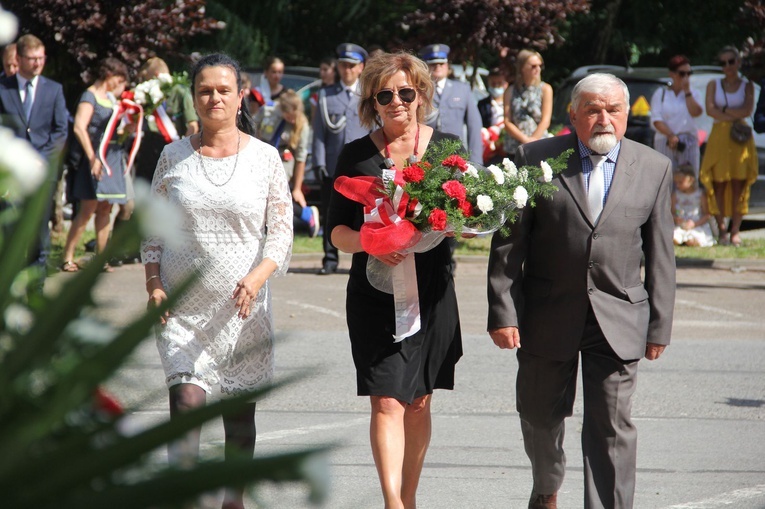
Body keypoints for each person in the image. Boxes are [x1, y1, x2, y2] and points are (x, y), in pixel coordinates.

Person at [487, 73, 676, 509]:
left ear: (627, 115)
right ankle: (547, 488)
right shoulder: (535, 158)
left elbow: (662, 253)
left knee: (611, 429)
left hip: (619, 315)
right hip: (546, 314)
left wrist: (659, 325)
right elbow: (509, 245)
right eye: (593, 109)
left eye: (613, 109)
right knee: (538, 417)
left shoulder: (653, 167)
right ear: (573, 115)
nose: (603, 119)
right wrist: (503, 312)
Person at [142, 53, 293, 509]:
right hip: (182, 310)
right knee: (185, 404)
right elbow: (152, 231)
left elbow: (282, 230)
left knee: (238, 421)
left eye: (223, 90)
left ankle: (233, 501)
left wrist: (257, 277)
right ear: (193, 96)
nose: (214, 98)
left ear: (240, 95)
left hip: (243, 310)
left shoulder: (265, 158)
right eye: (205, 90)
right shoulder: (172, 156)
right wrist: (153, 283)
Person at [327, 51, 463, 509]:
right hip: (374, 294)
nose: (397, 102)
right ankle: (392, 504)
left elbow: (466, 215)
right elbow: (336, 233)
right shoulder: (356, 155)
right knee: (386, 401)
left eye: (406, 92)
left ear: (422, 95)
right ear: (372, 101)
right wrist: (373, 241)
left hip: (432, 290)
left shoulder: (448, 150)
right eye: (385, 95)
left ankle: (410, 497)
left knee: (420, 401)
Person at [0, 34, 68, 276]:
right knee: (10, 234)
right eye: (32, 58)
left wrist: (42, 158)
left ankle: (36, 292)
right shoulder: (3, 89)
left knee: (39, 235)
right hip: (9, 175)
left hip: (41, 172)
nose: (38, 63)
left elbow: (60, 130)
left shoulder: (53, 90)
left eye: (41, 58)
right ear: (18, 58)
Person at [60, 57, 130, 273]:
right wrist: (92, 157)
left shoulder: (112, 99)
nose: (121, 86)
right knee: (88, 208)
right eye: (120, 80)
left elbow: (116, 129)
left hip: (111, 158)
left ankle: (102, 258)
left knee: (106, 207)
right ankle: (68, 256)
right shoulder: (89, 96)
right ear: (109, 76)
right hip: (93, 158)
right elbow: (80, 127)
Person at [312, 42, 369, 275]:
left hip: (361, 163)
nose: (346, 70)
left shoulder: (368, 95)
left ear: (361, 68)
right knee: (330, 212)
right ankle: (330, 258)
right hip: (334, 164)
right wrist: (318, 162)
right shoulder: (326, 95)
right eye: (343, 65)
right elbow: (319, 132)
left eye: (351, 66)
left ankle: (362, 256)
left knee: (362, 212)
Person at [699, 45, 757, 247]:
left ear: (738, 62)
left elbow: (747, 110)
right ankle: (722, 230)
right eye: (723, 63)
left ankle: (735, 231)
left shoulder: (747, 85)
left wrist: (723, 110)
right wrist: (733, 112)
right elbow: (710, 110)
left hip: (740, 140)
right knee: (718, 183)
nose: (727, 66)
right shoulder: (713, 84)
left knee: (739, 184)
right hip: (719, 138)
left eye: (731, 61)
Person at [255, 89, 320, 236]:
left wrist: (297, 188)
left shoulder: (302, 124)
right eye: (289, 116)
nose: (292, 120)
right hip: (262, 157)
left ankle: (305, 214)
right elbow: (253, 127)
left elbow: (301, 158)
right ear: (282, 110)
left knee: (275, 195)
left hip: (283, 161)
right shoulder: (268, 110)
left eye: (294, 116)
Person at [418, 43, 483, 164]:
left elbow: (474, 126)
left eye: (441, 63)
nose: (438, 67)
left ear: (447, 65)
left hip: (456, 156)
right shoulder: (418, 91)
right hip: (425, 156)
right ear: (426, 66)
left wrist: (476, 162)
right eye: (433, 64)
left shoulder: (462, 89)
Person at [650, 55, 704, 176]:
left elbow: (696, 112)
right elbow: (656, 119)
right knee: (665, 181)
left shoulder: (694, 93)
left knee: (689, 181)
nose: (686, 77)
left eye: (689, 73)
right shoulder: (661, 93)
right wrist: (671, 135)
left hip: (688, 142)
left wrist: (687, 91)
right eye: (682, 73)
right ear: (672, 74)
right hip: (665, 140)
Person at [502, 49, 553, 160]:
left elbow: (545, 120)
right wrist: (524, 139)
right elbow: (507, 120)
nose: (537, 69)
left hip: (539, 144)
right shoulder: (510, 90)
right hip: (515, 146)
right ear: (522, 67)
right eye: (533, 66)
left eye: (540, 66)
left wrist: (533, 140)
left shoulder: (545, 89)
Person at [672, 164, 714, 247]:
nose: (677, 185)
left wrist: (695, 224)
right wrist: (676, 218)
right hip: (682, 225)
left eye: (680, 182)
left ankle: (690, 241)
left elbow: (707, 214)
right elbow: (672, 212)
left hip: (696, 224)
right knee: (674, 236)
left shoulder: (700, 194)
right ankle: (681, 240)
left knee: (693, 239)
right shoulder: (675, 195)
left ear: (691, 180)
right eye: (676, 183)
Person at [477, 67, 508, 164]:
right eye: (493, 84)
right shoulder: (482, 104)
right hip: (490, 148)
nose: (496, 86)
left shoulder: (510, 103)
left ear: (505, 84)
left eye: (499, 83)